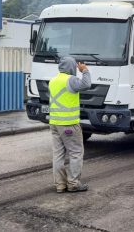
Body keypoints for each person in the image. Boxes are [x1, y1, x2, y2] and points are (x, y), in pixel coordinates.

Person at [49, 56, 91, 193]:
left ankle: (60, 185)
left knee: (58, 155)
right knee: (76, 153)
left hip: (54, 123)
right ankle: (73, 183)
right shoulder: (71, 80)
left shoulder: (53, 81)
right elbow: (86, 84)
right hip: (69, 124)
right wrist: (84, 70)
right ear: (71, 67)